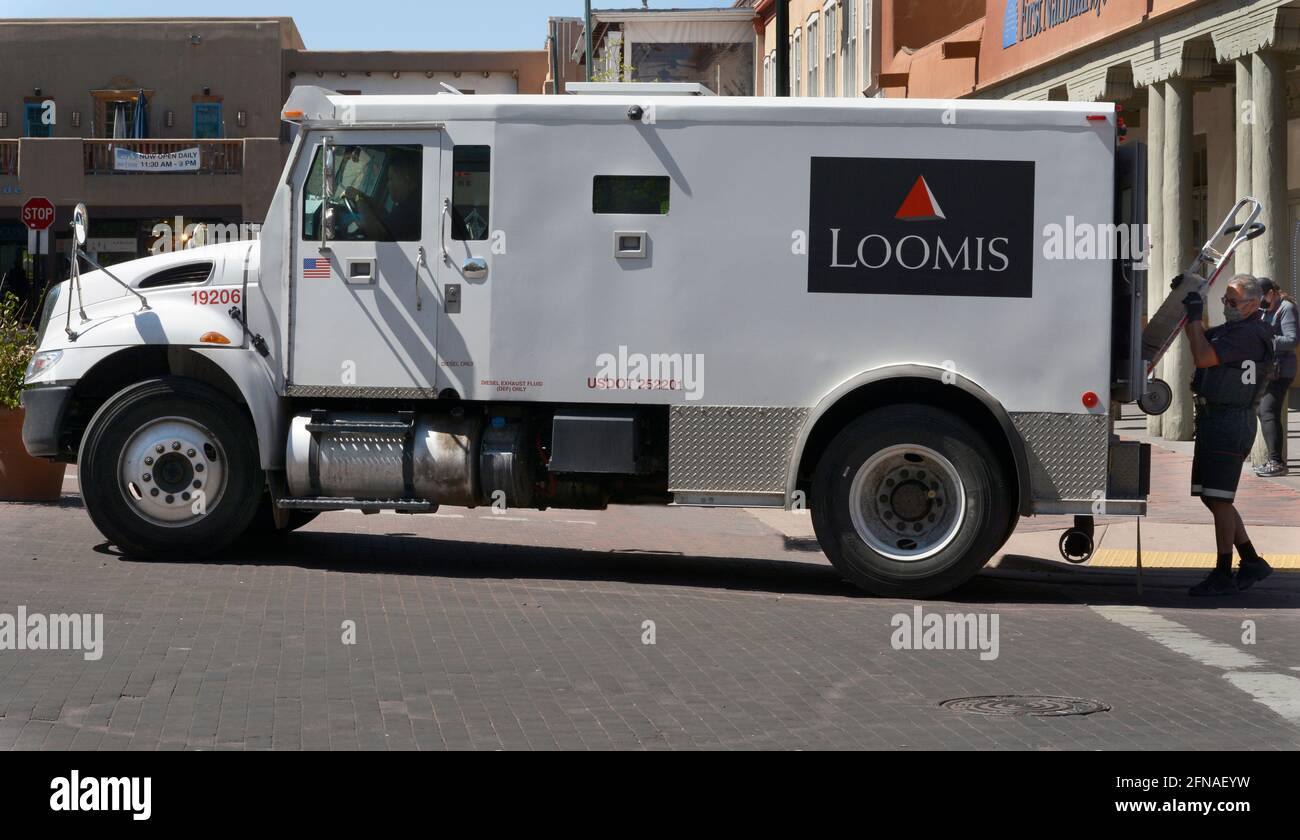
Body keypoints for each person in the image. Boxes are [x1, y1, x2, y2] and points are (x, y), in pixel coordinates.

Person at [1181, 274, 1275, 595]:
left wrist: (1194, 315)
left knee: (1220, 500)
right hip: (1215, 418)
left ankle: (1222, 572)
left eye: (1232, 301)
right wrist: (1188, 308)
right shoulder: (1236, 330)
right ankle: (1250, 560)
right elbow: (1200, 340)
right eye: (1225, 300)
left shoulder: (1249, 334)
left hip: (1230, 420)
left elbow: (1204, 355)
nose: (1227, 306)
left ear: (1253, 303)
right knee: (1212, 497)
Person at [1253, 278, 1296, 477]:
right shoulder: (1263, 311)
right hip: (1267, 370)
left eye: (1262, 296)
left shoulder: (1286, 308)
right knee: (1264, 412)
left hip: (1282, 370)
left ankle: (1276, 462)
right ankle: (1274, 460)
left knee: (1268, 411)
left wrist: (1265, 340)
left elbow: (1292, 339)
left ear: (1272, 292)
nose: (1260, 301)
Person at [342, 149, 421, 241]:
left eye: (390, 178)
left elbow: (378, 235)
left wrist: (358, 198)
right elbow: (387, 218)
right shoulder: (409, 204)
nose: (387, 184)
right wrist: (363, 197)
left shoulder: (411, 208)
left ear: (406, 179)